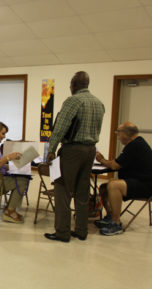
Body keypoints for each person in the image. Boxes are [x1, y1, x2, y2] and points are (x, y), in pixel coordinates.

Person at [45, 71, 105, 242]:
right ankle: (81, 230)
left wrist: (51, 150)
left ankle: (62, 232)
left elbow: (60, 127)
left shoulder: (73, 101)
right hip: (90, 150)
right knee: (82, 191)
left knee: (62, 188)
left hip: (72, 150)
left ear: (74, 85)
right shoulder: (99, 103)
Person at [94, 122, 152, 236]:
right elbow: (118, 163)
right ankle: (110, 216)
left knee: (114, 185)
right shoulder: (134, 144)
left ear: (126, 133)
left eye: (118, 132)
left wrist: (101, 160)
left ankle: (116, 223)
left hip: (147, 185)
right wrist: (106, 161)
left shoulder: (135, 145)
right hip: (139, 181)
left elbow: (115, 165)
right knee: (104, 187)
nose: (117, 136)